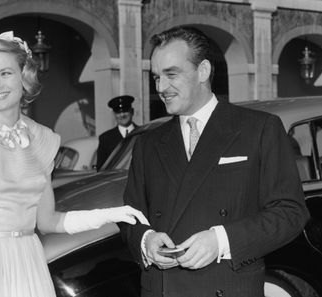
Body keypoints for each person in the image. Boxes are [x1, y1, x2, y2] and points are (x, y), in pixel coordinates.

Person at [0, 31, 149, 297]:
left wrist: (109, 214)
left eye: (5, 73)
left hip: (30, 263)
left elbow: (49, 222)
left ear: (24, 76)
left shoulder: (43, 139)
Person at [119, 26, 309, 297]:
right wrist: (145, 240)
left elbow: (290, 212)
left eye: (171, 74)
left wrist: (221, 240)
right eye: (156, 77)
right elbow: (130, 216)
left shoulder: (258, 128)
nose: (161, 87)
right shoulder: (148, 143)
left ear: (204, 71)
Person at [96, 95, 138, 169]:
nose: (122, 115)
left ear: (132, 111)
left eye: (125, 111)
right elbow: (101, 169)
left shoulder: (143, 134)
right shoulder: (105, 139)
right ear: (114, 114)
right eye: (118, 112)